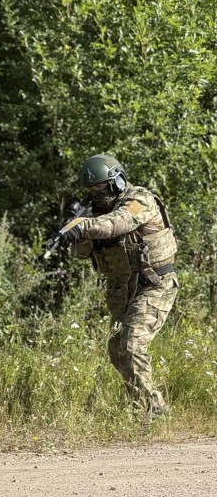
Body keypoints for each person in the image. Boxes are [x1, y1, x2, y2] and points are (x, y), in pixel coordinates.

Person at [58, 154, 178, 424]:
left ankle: (154, 411)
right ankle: (140, 407)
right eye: (91, 188)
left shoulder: (139, 200)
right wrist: (75, 232)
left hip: (154, 284)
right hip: (123, 290)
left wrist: (83, 225)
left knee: (132, 344)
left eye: (101, 185)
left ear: (117, 181)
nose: (96, 192)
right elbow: (82, 253)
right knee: (117, 348)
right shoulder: (93, 214)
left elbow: (117, 223)